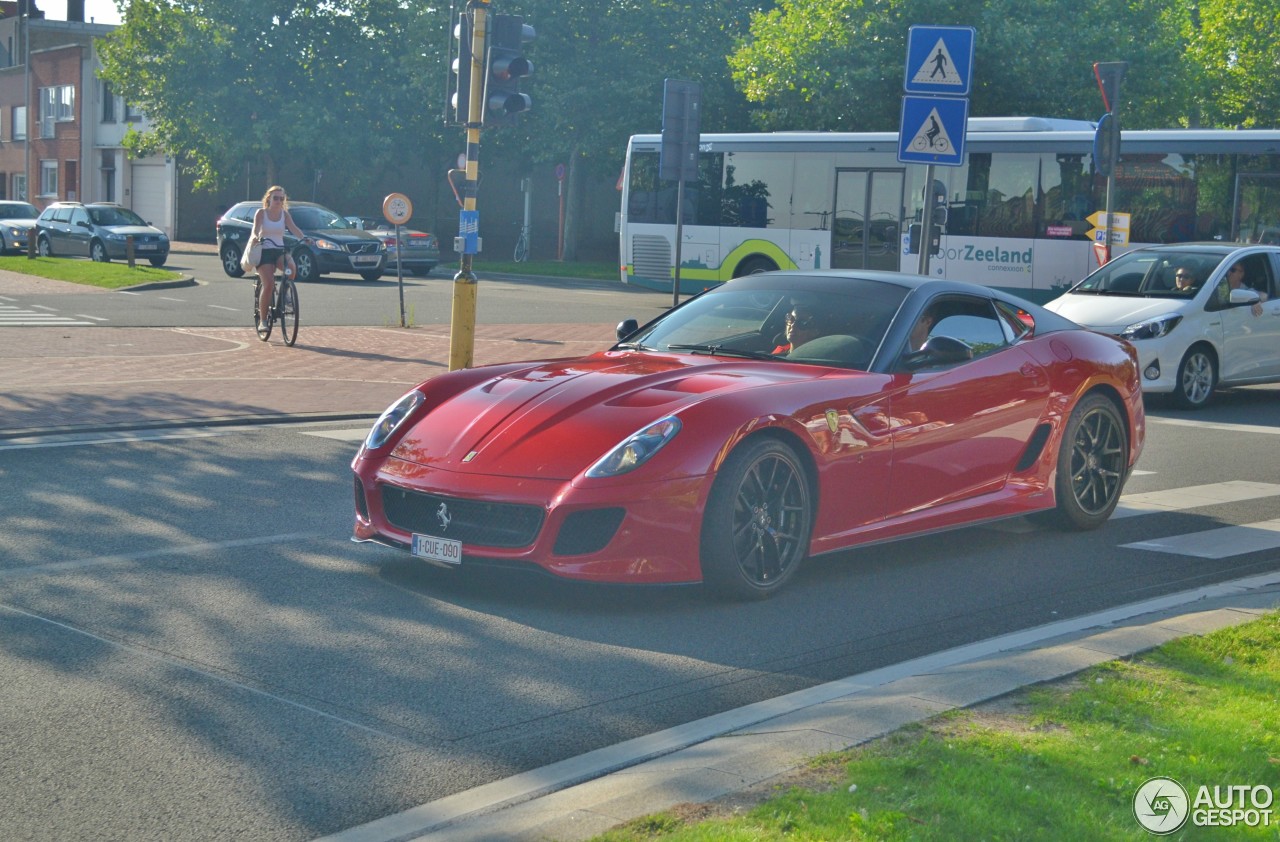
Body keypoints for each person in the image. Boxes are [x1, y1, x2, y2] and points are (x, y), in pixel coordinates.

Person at [252, 186, 307, 332]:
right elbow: (255, 229)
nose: (278, 201)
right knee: (269, 284)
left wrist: (304, 238)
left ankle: (285, 296)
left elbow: (294, 228)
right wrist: (256, 237)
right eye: (275, 198)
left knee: (292, 269)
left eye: (281, 198)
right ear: (269, 198)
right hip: (264, 252)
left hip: (279, 251)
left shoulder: (285, 214)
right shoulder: (261, 213)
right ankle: (263, 321)